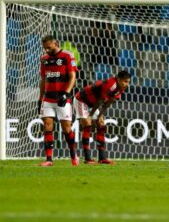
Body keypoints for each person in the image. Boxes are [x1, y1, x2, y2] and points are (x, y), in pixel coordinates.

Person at [74, 70, 132, 164]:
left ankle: (102, 158)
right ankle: (87, 158)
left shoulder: (120, 88)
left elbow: (108, 103)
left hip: (93, 103)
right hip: (82, 100)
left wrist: (100, 115)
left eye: (128, 82)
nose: (127, 84)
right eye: (125, 81)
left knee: (101, 124)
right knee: (87, 124)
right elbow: (100, 101)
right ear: (118, 79)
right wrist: (90, 115)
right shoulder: (110, 84)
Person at [38, 35, 79, 166]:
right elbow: (43, 79)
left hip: (62, 98)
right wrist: (40, 99)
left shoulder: (67, 55)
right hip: (48, 98)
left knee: (67, 128)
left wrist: (66, 94)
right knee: (47, 126)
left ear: (56, 44)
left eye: (49, 48)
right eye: (45, 48)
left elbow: (73, 76)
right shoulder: (44, 59)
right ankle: (49, 159)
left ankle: (74, 157)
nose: (47, 51)